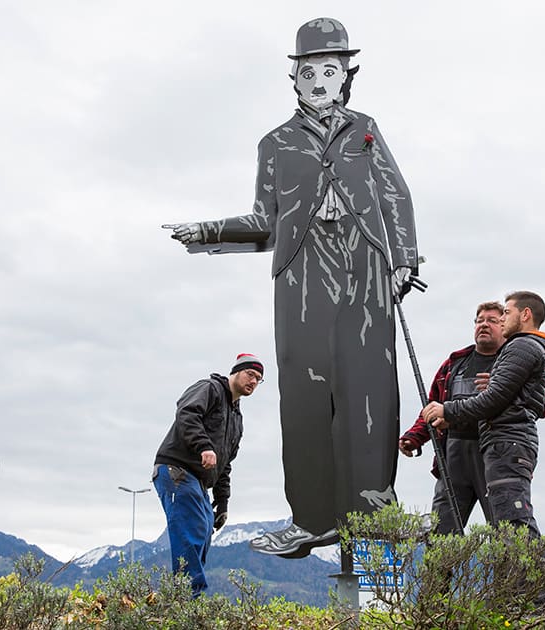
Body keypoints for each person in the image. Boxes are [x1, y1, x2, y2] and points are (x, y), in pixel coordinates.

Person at [165, 17, 419, 559]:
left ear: (345, 75)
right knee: (305, 392)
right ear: (296, 79)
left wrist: (403, 257)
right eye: (310, 71)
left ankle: (375, 508)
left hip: (364, 261)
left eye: (332, 69)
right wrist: (209, 232)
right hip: (302, 270)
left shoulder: (366, 130)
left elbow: (396, 195)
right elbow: (263, 221)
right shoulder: (275, 143)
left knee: (370, 382)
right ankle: (311, 518)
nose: (321, 79)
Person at [399, 301, 545, 534]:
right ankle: (440, 571)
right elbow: (433, 406)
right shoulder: (454, 363)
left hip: (494, 451)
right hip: (454, 452)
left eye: (492, 320)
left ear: (503, 324)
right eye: (479, 320)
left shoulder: (518, 358)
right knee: (442, 529)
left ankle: (510, 571)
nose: (484, 325)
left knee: (505, 525)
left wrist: (501, 388)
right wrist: (414, 436)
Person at [152, 353, 263, 595]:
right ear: (236, 372)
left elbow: (225, 464)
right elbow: (187, 412)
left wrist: (222, 503)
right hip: (177, 469)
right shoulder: (210, 388)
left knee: (203, 534)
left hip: (198, 480)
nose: (254, 381)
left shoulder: (236, 418)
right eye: (250, 374)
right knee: (191, 532)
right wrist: (204, 445)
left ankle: (185, 599)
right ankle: (187, 601)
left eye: (258, 379)